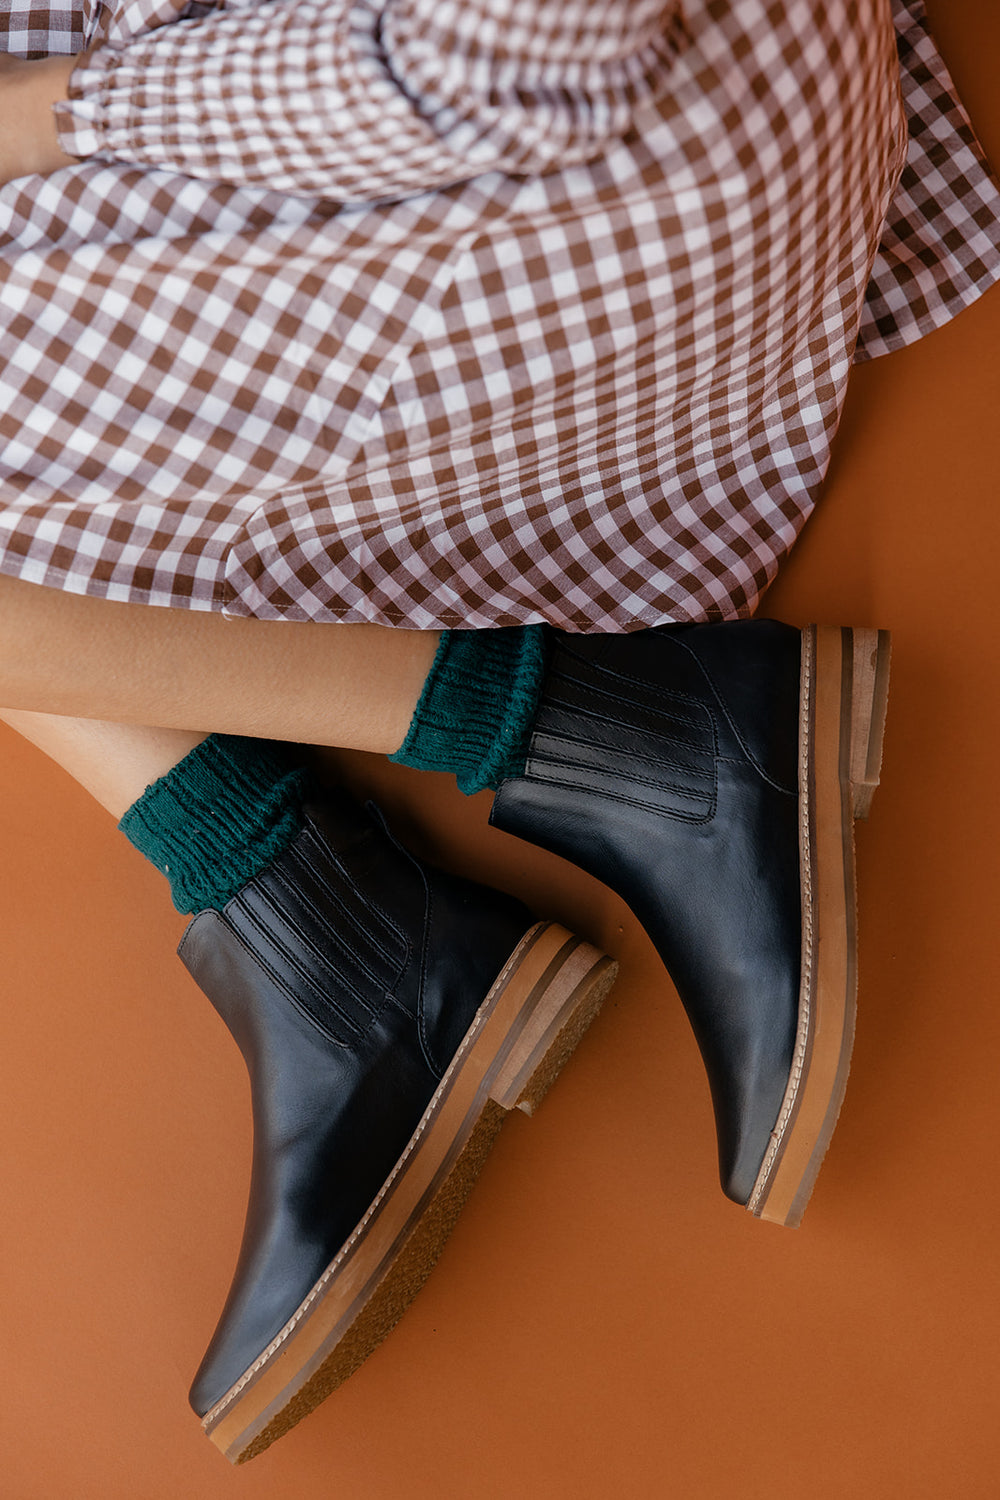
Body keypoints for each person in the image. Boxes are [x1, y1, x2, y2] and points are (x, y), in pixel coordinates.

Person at [2, 0, 998, 1466]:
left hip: (588, 161)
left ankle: (575, 736)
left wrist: (37, 115)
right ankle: (320, 905)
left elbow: (499, 71)